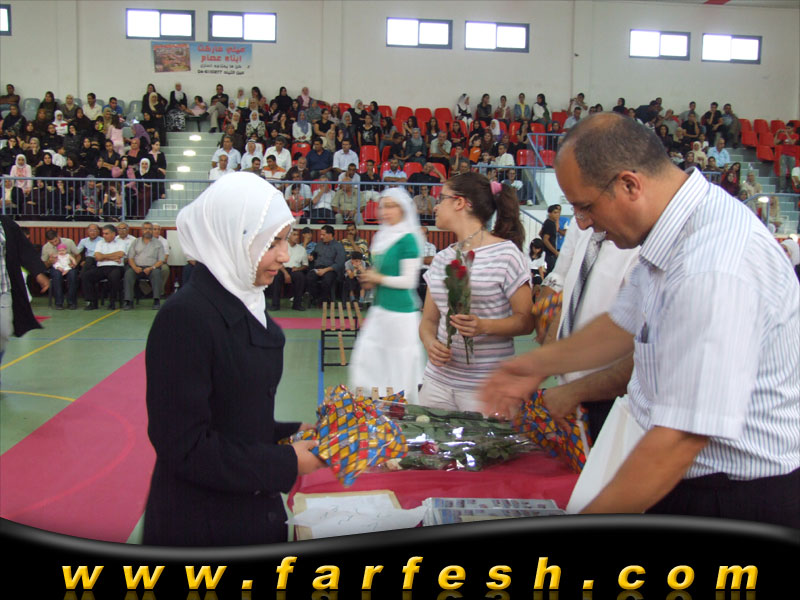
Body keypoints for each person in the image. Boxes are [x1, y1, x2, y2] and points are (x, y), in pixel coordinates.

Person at [480, 113, 799, 527]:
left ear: (629, 184)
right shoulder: (672, 231)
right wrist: (533, 364)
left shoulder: (712, 267)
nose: (583, 223)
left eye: (585, 206)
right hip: (687, 479)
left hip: (730, 496)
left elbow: (681, 437)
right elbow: (621, 324)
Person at [142, 172, 325, 546]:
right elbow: (184, 447)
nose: (284, 255)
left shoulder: (246, 297)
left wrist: (290, 431)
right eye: (272, 242)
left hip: (247, 505)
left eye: (286, 240)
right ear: (234, 238)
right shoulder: (186, 317)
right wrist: (287, 462)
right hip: (203, 523)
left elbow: (232, 415)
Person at [418, 172, 534, 412]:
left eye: (441, 198)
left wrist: (484, 326)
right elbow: (428, 321)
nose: (436, 206)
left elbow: (526, 321)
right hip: (437, 383)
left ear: (460, 202)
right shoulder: (441, 259)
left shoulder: (507, 255)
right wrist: (430, 343)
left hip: (487, 388)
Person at [350, 187, 425, 403]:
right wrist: (371, 279)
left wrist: (378, 278)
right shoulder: (381, 236)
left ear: (403, 209)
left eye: (392, 206)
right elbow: (380, 273)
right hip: (380, 309)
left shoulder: (409, 239)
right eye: (383, 206)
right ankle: (378, 409)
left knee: (398, 368)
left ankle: (399, 410)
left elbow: (409, 281)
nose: (386, 211)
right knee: (369, 362)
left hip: (401, 315)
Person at [1, 217, 50, 371]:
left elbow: (24, 250)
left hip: (3, 289)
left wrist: (38, 273)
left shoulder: (6, 225)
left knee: (3, 332)